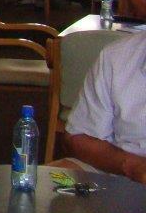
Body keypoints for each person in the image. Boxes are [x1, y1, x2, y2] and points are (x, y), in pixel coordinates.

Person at [62, 33, 146, 184]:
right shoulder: (116, 56)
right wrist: (133, 166)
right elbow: (79, 136)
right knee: (43, 181)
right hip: (123, 170)